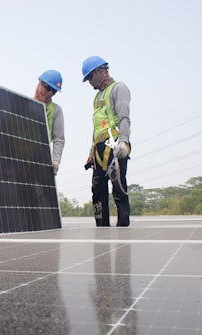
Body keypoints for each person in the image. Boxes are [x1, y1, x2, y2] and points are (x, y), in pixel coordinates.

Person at [81, 56, 131, 227]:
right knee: (98, 189)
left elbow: (124, 117)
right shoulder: (97, 97)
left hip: (115, 144)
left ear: (101, 72)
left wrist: (124, 142)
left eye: (90, 77)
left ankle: (123, 227)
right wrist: (91, 152)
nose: (89, 82)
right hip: (99, 148)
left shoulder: (118, 88)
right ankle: (101, 228)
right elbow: (96, 127)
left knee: (118, 186)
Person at [34, 70, 65, 175]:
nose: (50, 93)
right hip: (19, 157)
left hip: (42, 159)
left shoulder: (56, 110)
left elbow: (59, 138)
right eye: (48, 88)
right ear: (40, 83)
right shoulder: (24, 104)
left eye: (54, 91)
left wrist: (56, 160)